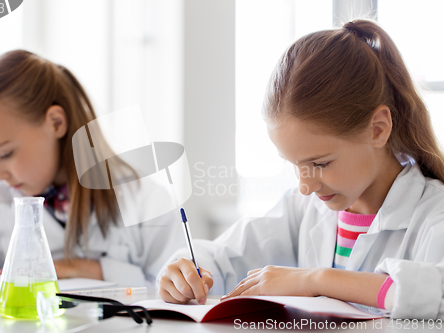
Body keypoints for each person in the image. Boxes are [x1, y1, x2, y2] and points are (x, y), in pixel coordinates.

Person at [157, 19, 444, 319]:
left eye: (320, 163)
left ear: (377, 129)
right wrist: (185, 269)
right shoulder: (303, 208)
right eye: (294, 165)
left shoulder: (434, 215)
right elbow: (224, 256)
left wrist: (316, 280)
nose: (305, 186)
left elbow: (437, 292)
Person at [0, 50, 183, 287]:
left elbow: (179, 289)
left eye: (5, 154)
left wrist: (88, 269)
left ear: (56, 123)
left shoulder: (146, 201)